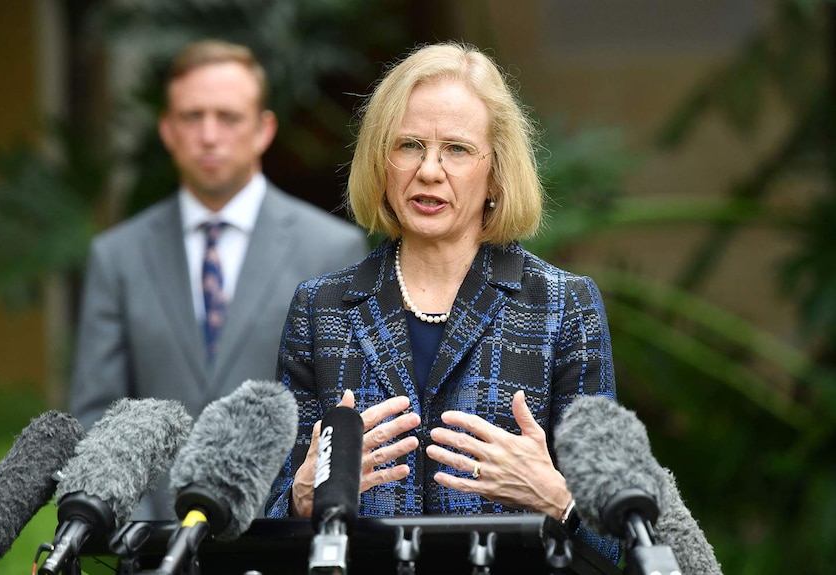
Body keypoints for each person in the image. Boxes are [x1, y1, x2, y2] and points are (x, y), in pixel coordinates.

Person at [265, 41, 620, 562]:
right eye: (409, 145)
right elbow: (267, 530)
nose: (429, 170)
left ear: (496, 171)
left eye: (456, 149)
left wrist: (559, 500)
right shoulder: (322, 309)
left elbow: (617, 542)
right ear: (381, 161)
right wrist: (299, 500)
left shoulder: (564, 307)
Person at [69, 39, 368, 519]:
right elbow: (97, 413)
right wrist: (145, 538)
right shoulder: (117, 257)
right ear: (167, 130)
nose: (209, 135)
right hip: (150, 547)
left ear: (263, 129)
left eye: (228, 117)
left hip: (282, 541)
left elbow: (340, 414)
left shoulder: (331, 249)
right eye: (192, 117)